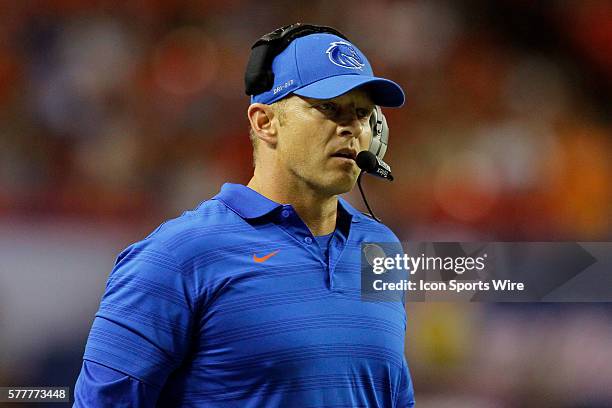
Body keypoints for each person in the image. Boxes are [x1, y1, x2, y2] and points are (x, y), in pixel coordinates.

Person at [74, 23, 415, 407]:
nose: (351, 129)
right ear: (264, 122)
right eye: (328, 108)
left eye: (363, 113)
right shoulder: (178, 255)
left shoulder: (382, 249)